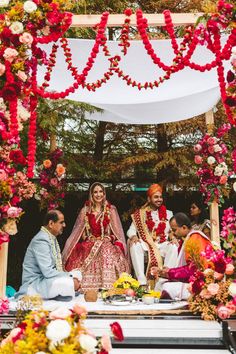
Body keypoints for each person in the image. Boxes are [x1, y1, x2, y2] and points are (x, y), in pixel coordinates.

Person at [62, 182, 130, 291]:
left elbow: (116, 233)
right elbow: (81, 232)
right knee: (87, 249)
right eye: (95, 192)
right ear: (91, 194)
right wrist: (89, 238)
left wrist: (109, 238)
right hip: (90, 242)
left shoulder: (110, 210)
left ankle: (107, 285)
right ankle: (88, 286)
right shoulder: (85, 210)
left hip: (106, 241)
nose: (98, 194)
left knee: (106, 250)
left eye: (100, 192)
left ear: (104, 194)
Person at [16, 210, 82, 300]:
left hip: (45, 281)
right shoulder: (41, 240)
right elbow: (48, 272)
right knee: (71, 282)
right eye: (61, 222)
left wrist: (71, 275)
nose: (64, 225)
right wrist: (69, 275)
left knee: (77, 275)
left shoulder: (50, 237)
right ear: (51, 223)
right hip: (34, 285)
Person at [151, 212, 212, 300]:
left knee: (166, 287)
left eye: (174, 230)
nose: (173, 233)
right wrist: (166, 272)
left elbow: (194, 270)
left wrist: (169, 272)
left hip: (203, 286)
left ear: (184, 227)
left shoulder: (195, 239)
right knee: (160, 284)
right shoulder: (187, 239)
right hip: (192, 282)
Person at [127, 184, 178, 286]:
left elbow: (172, 231)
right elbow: (130, 230)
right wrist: (134, 236)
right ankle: (141, 281)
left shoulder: (168, 213)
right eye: (156, 197)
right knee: (135, 244)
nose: (159, 199)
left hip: (162, 244)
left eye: (160, 197)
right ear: (149, 199)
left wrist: (173, 237)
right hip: (146, 245)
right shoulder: (140, 214)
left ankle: (165, 279)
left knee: (173, 246)